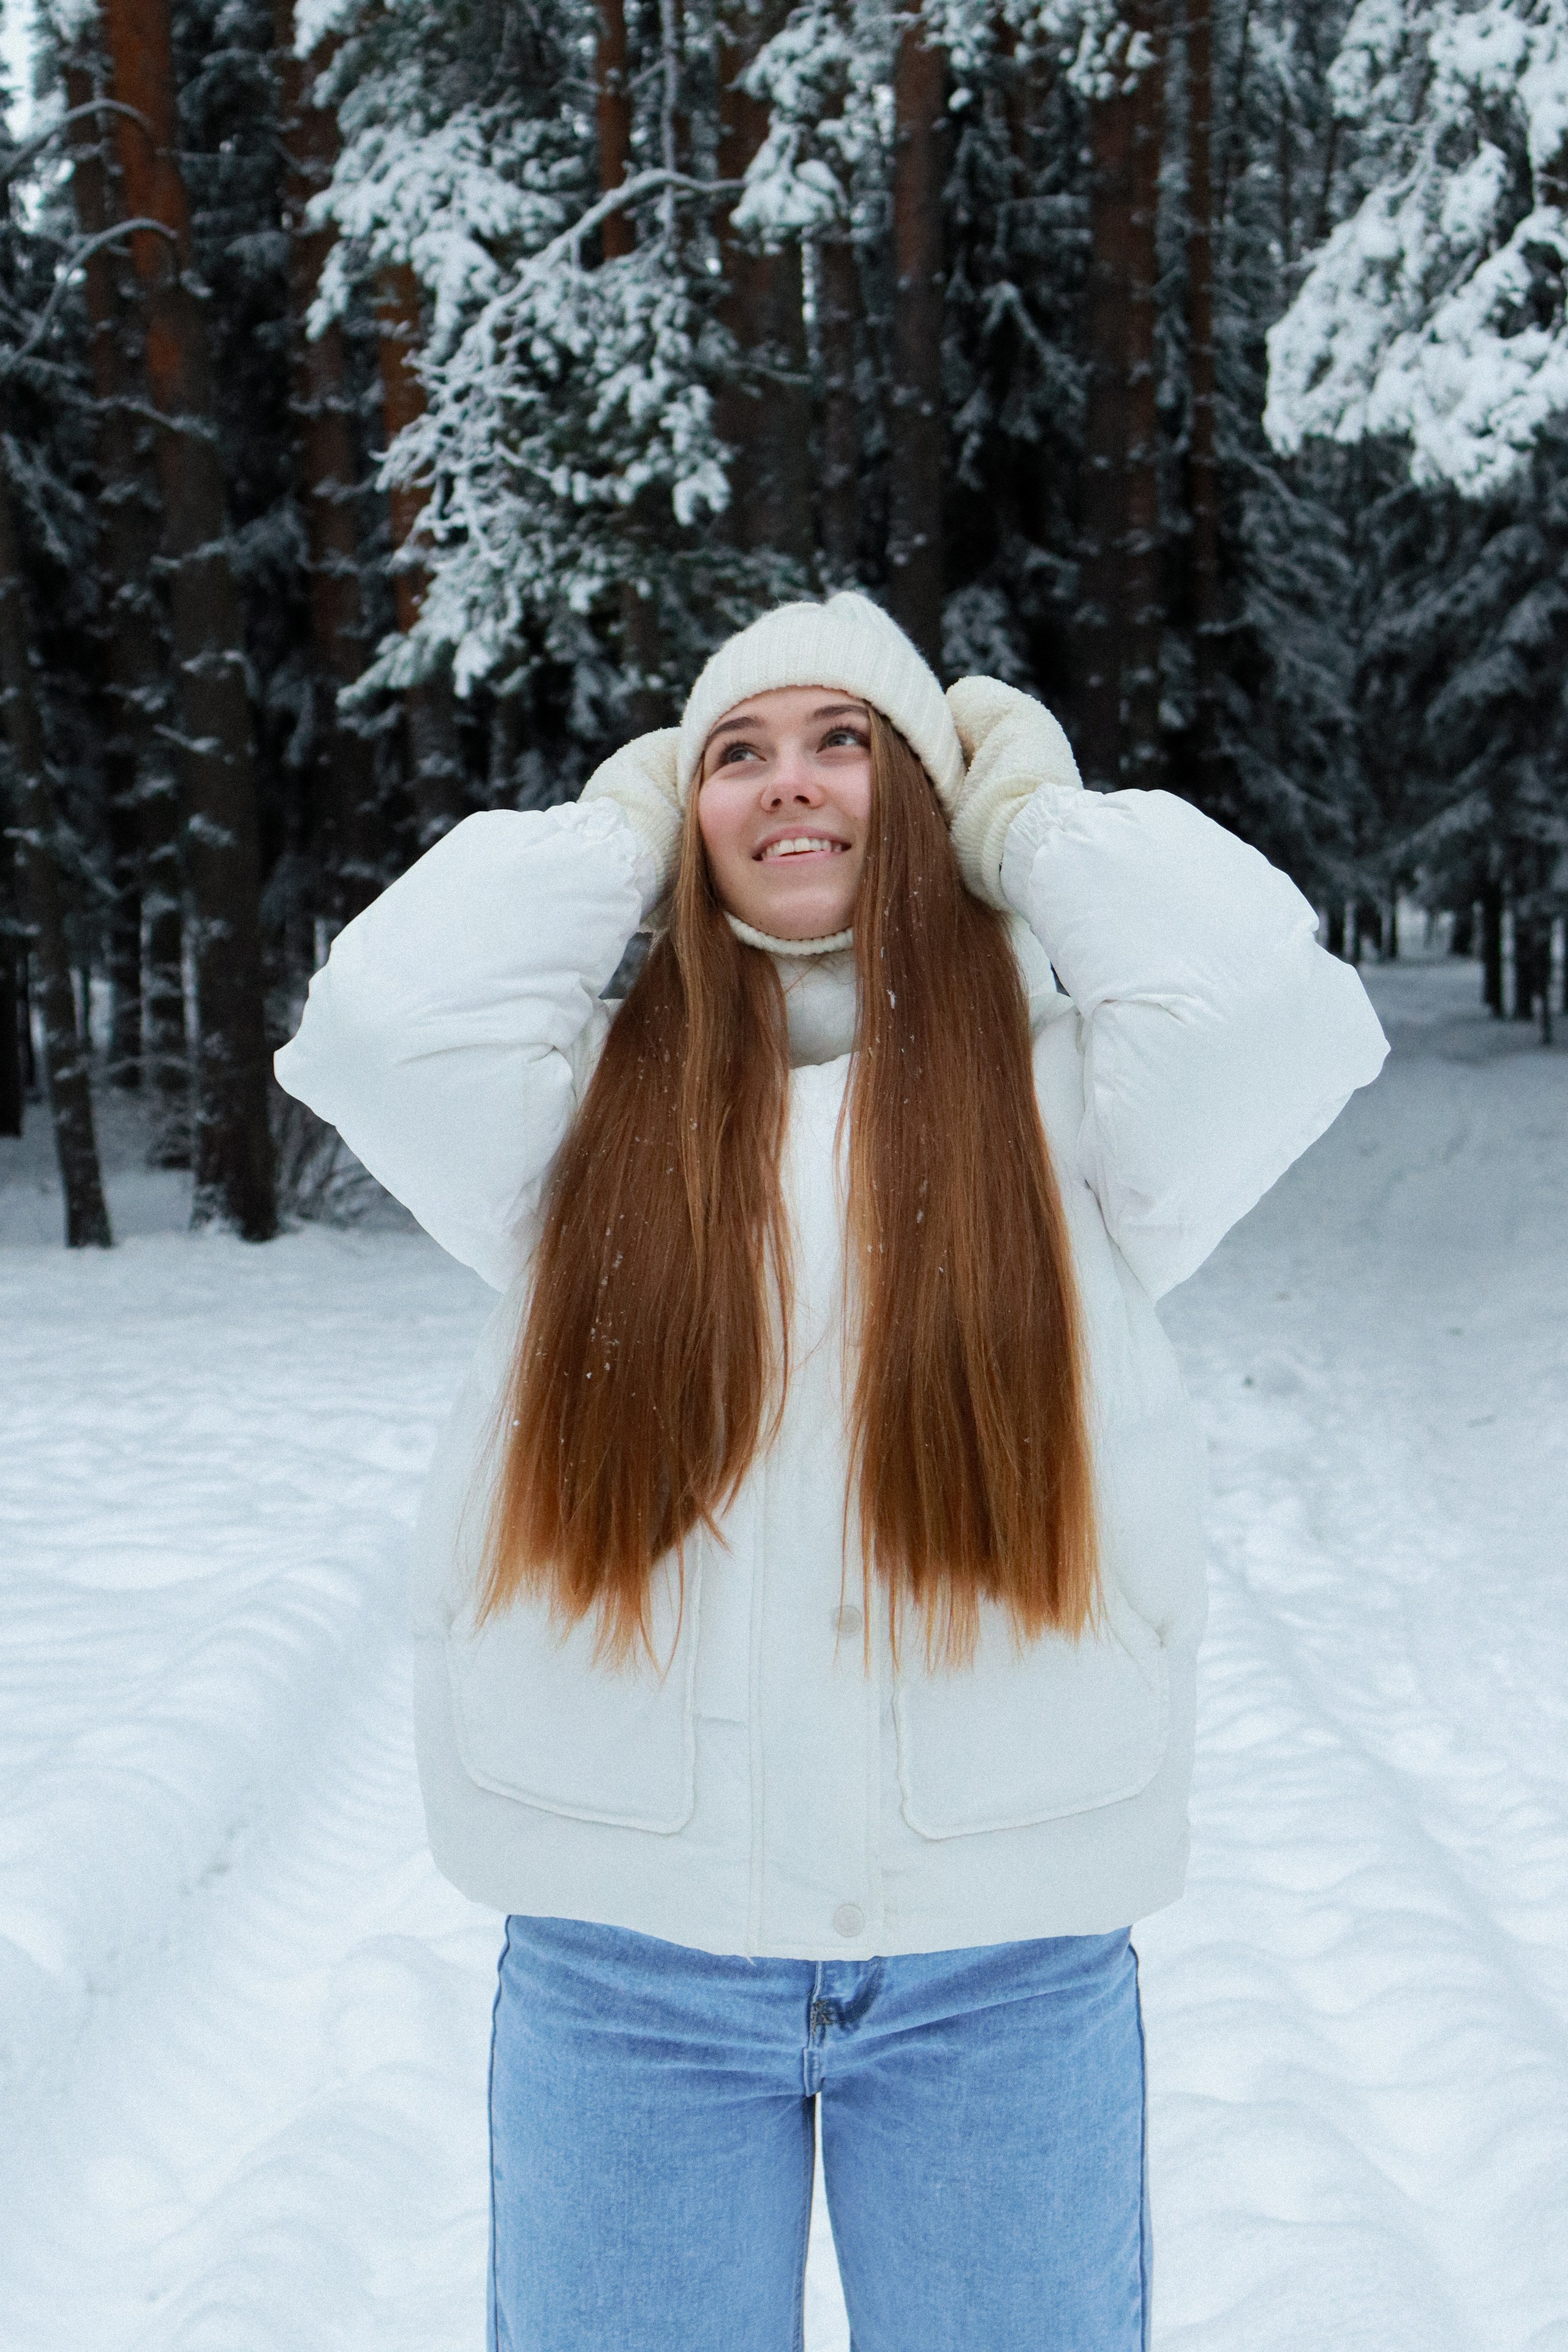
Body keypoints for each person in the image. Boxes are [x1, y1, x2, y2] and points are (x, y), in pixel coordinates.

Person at [274, 593, 1388, 2352]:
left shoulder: (1074, 1104)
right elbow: (377, 1024)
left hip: (999, 1974)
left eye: (846, 743)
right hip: (627, 1974)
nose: (790, 786)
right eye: (739, 754)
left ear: (927, 796)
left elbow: (1274, 1010)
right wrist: (624, 826)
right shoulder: (577, 1113)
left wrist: (1025, 816)